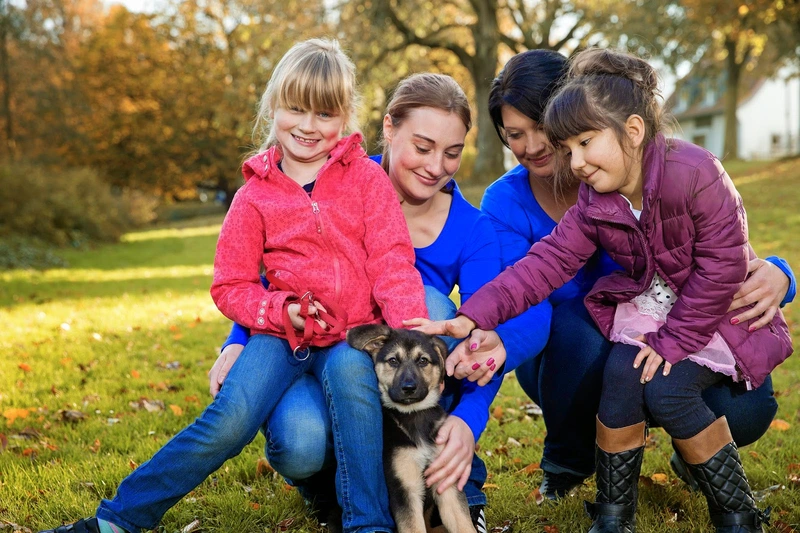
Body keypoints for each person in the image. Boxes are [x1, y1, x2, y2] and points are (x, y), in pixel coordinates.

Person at [40, 39, 429, 533]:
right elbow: (231, 285)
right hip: (282, 336)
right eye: (296, 109)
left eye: (325, 114)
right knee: (229, 416)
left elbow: (393, 261)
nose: (309, 127)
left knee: (355, 390)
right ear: (273, 106)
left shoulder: (367, 182)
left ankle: (367, 525)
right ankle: (118, 519)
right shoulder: (254, 196)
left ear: (345, 117)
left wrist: (408, 328)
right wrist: (277, 311)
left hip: (352, 334)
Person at [418, 48, 793, 532]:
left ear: (627, 130)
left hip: (691, 323)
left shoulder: (688, 171)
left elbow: (723, 262)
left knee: (676, 389)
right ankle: (608, 507)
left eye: (571, 140)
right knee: (612, 362)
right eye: (517, 135)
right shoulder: (581, 198)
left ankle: (734, 509)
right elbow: (542, 265)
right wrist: (477, 316)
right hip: (594, 340)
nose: (557, 155)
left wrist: (781, 273)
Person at [215, 73, 552, 533]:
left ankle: (450, 473)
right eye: (423, 146)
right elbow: (269, 271)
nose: (436, 166)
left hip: (405, 380)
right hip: (321, 349)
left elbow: (482, 338)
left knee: (431, 310)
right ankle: (332, 487)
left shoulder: (473, 229)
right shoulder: (336, 177)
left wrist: (469, 422)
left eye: (452, 153)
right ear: (389, 129)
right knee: (300, 441)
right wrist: (236, 339)